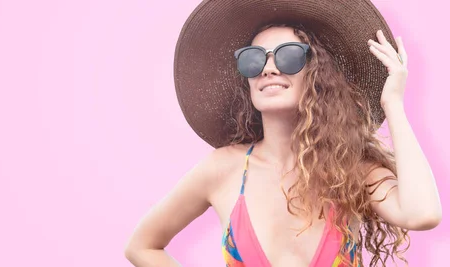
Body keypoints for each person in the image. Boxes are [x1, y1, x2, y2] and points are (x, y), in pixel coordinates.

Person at [124, 0, 442, 266]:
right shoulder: (223, 169)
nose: (268, 68)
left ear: (317, 72)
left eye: (288, 56)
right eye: (253, 59)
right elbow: (141, 246)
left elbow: (423, 214)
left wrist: (394, 105)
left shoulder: (351, 169)